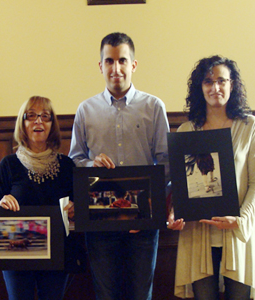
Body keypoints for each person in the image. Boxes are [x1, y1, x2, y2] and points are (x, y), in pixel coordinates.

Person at [69, 32, 170, 300]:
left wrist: (146, 212)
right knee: (106, 296)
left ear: (133, 65)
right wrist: (92, 163)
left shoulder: (154, 107)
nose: (116, 68)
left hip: (143, 224)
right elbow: (75, 161)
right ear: (100, 66)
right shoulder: (85, 111)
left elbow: (167, 165)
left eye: (122, 60)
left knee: (140, 296)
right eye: (109, 61)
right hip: (100, 222)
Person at [168, 55, 255, 300]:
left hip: (238, 231)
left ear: (232, 85)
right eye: (208, 82)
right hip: (198, 233)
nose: (215, 88)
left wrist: (241, 219)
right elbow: (182, 184)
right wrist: (175, 211)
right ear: (200, 88)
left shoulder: (250, 126)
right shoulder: (186, 131)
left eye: (222, 81)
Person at [0, 96, 75, 300]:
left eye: (45, 116)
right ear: (23, 123)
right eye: (31, 116)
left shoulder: (67, 166)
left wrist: (75, 208)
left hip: (56, 251)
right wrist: (1, 204)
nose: (38, 121)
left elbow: (78, 208)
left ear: (52, 125)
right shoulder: (8, 165)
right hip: (17, 252)